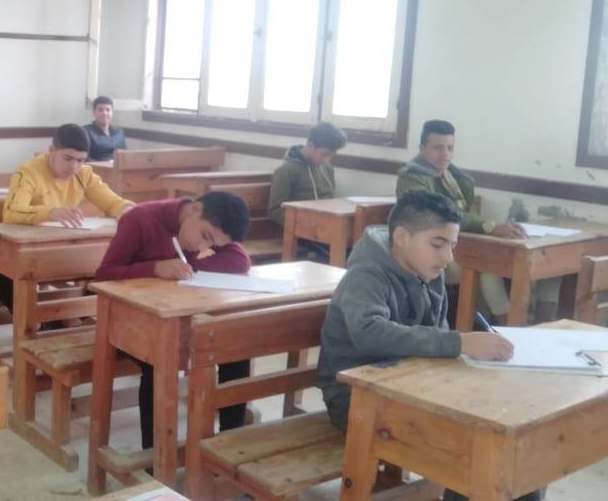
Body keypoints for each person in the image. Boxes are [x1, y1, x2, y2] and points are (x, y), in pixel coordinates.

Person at [317, 190, 538, 501]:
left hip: (409, 386)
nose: (448, 257)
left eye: (452, 246)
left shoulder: (428, 271)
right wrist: (460, 342)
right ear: (402, 237)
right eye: (438, 244)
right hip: (355, 398)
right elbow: (370, 334)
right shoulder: (366, 276)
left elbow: (436, 333)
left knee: (511, 448)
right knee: (473, 454)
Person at [95, 191, 253, 450]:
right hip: (127, 322)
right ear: (195, 209)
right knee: (159, 358)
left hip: (175, 318)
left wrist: (188, 267)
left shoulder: (202, 228)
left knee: (233, 349)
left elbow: (240, 260)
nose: (201, 247)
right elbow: (103, 275)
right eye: (205, 236)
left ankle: (228, 446)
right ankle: (154, 456)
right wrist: (155, 268)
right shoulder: (140, 219)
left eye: (212, 244)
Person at [397, 120, 558, 323]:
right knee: (488, 267)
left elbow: (466, 215)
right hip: (431, 250)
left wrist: (499, 228)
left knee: (551, 263)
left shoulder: (451, 176)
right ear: (422, 149)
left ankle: (541, 325)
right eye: (437, 147)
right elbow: (441, 216)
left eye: (450, 148)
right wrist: (490, 227)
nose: (445, 154)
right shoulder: (412, 178)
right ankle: (508, 327)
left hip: (458, 243)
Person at [0, 123, 134, 314]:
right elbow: (11, 212)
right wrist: (50, 213)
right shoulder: (28, 172)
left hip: (65, 247)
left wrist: (126, 209)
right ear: (52, 150)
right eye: (68, 158)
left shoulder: (84, 174)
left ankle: (72, 316)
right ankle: (40, 322)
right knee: (4, 277)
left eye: (80, 160)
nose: (73, 166)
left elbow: (112, 202)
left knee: (108, 267)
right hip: (30, 248)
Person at [268, 123, 346, 260]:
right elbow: (275, 210)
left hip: (326, 228)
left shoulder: (327, 168)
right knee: (334, 256)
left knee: (353, 248)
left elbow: (331, 201)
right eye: (324, 154)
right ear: (310, 145)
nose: (327, 160)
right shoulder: (286, 171)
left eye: (331, 156)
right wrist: (308, 225)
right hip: (299, 232)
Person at [84, 95, 126, 162]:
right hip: (97, 167)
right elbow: (85, 158)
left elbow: (124, 154)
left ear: (112, 112)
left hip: (119, 167)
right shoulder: (85, 132)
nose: (104, 113)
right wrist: (105, 165)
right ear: (94, 112)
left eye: (108, 110)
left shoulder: (118, 131)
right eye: (100, 110)